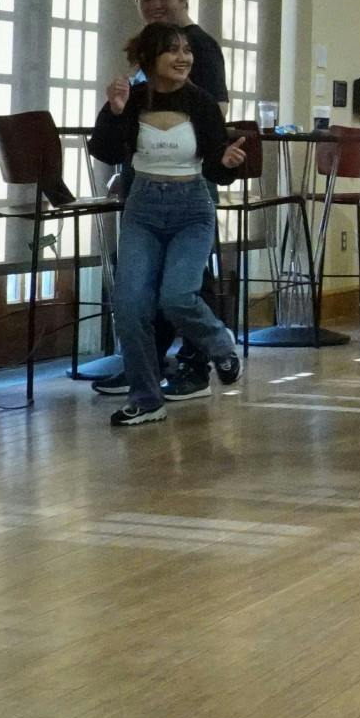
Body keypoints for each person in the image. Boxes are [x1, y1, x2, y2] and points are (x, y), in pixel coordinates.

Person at [90, 22, 248, 427]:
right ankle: (146, 399)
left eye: (186, 51)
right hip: (142, 208)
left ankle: (220, 343)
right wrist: (115, 111)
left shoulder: (202, 103)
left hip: (191, 209)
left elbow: (215, 165)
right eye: (172, 51)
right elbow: (104, 150)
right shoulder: (134, 98)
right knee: (130, 305)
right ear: (149, 59)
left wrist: (227, 164)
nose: (183, 58)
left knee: (177, 296)